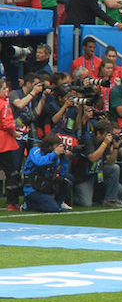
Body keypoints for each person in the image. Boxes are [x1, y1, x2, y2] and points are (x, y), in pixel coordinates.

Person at [22, 133, 72, 212]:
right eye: (56, 146)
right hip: (32, 188)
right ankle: (28, 204)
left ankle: (58, 203)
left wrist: (65, 159)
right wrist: (54, 153)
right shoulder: (36, 150)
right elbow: (39, 162)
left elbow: (61, 172)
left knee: (65, 180)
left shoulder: (55, 157)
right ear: (49, 146)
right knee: (52, 208)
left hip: (44, 186)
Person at [0, 79, 20, 211]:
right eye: (3, 88)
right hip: (5, 143)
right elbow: (7, 124)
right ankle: (12, 203)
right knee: (12, 173)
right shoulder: (4, 104)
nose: (5, 91)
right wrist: (15, 133)